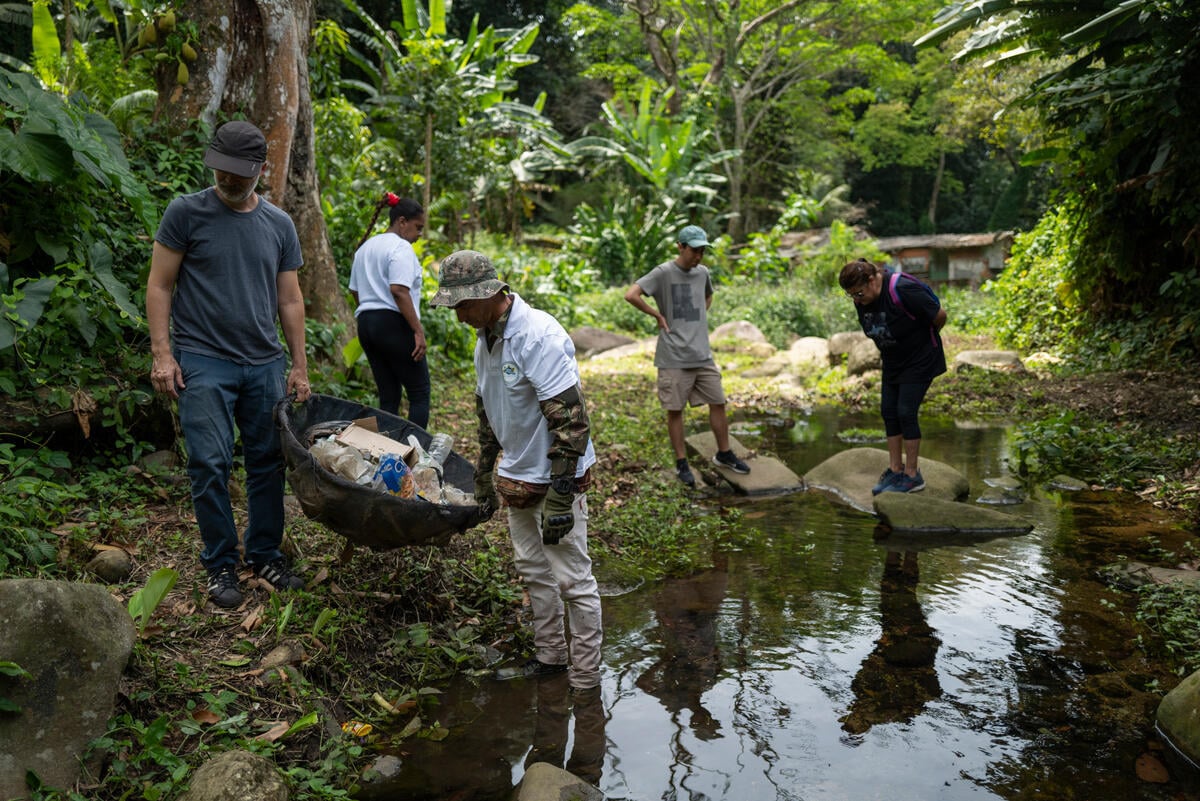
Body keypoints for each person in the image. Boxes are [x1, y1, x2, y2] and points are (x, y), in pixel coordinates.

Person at [146, 120, 311, 609]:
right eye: (221, 169)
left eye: (239, 172)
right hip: (203, 359)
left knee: (267, 463)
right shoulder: (186, 212)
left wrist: (299, 365)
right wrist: (162, 354)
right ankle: (220, 562)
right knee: (209, 462)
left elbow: (290, 300)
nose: (229, 179)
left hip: (263, 362)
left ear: (261, 169)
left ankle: (265, 555)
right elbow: (160, 285)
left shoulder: (278, 224)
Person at [429, 250, 602, 692]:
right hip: (520, 473)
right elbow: (487, 413)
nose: (458, 315)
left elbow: (571, 419)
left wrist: (561, 494)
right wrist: (485, 472)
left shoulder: (537, 335)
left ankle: (585, 680)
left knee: (573, 579)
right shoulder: (484, 338)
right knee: (533, 569)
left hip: (557, 474)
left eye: (464, 305)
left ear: (491, 294)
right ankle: (550, 658)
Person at [624, 224, 750, 486]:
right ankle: (682, 462)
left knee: (718, 401)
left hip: (702, 354)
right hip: (673, 355)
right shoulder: (663, 272)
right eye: (694, 250)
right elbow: (631, 295)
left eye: (702, 251)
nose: (699, 256)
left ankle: (724, 453)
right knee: (675, 410)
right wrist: (657, 315)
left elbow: (708, 296)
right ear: (680, 247)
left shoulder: (703, 273)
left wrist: (698, 318)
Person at [838, 258, 947, 494]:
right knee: (889, 411)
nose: (856, 299)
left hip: (920, 359)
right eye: (851, 295)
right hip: (893, 361)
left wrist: (921, 342)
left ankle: (912, 475)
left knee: (906, 412)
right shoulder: (862, 299)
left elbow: (939, 315)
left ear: (872, 280)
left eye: (858, 293)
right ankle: (896, 470)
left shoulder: (903, 289)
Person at [348, 194, 430, 428]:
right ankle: (415, 448)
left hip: (367, 325)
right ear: (402, 222)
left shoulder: (365, 248)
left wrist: (372, 315)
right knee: (419, 392)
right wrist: (417, 331)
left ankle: (385, 446)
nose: (419, 234)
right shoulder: (401, 247)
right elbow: (399, 291)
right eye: (418, 227)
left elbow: (354, 290)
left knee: (389, 395)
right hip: (394, 324)